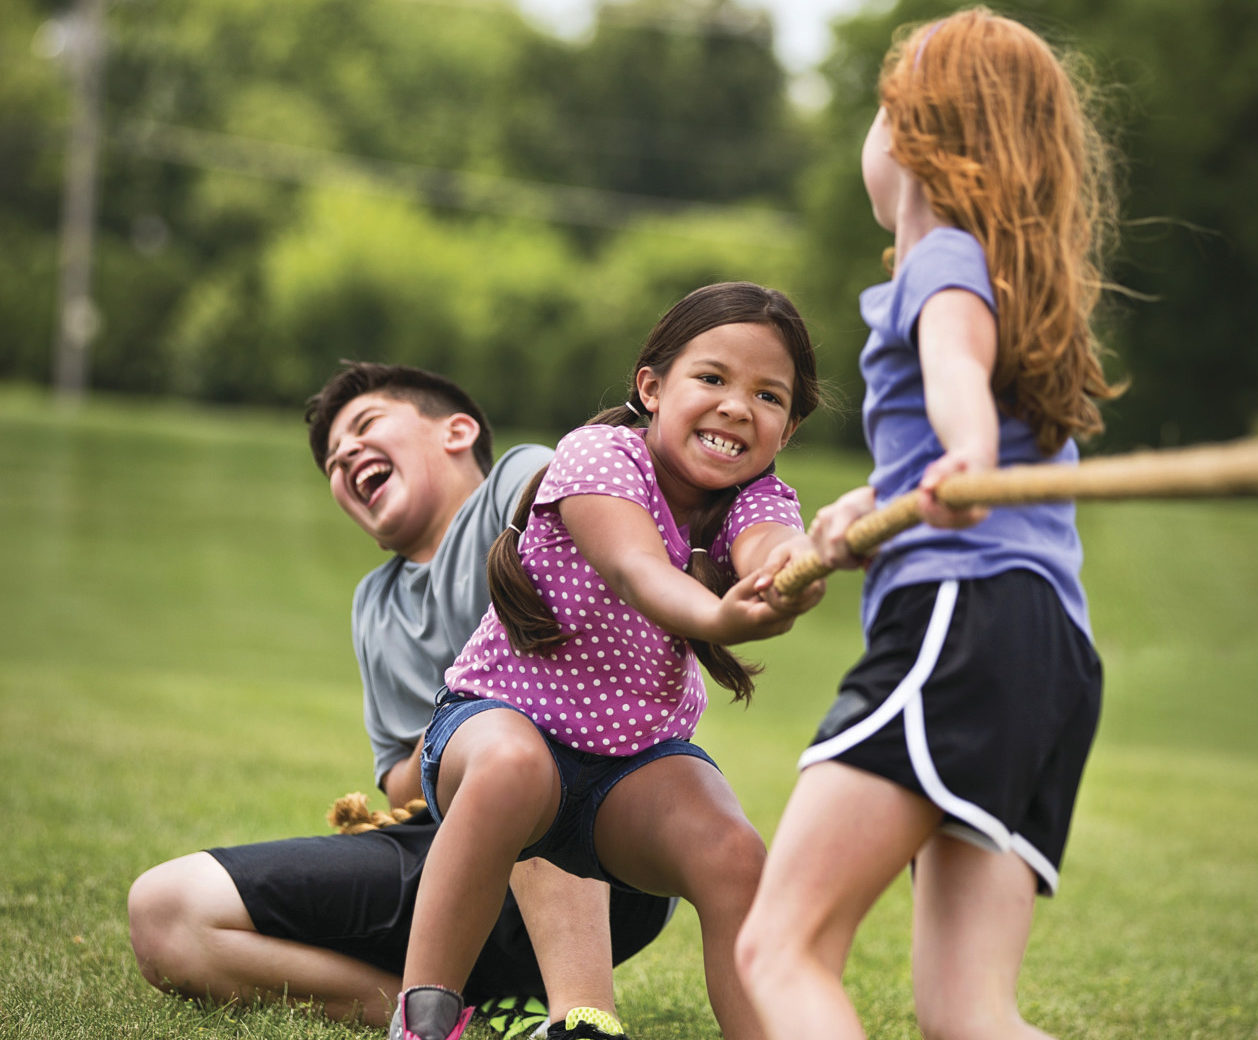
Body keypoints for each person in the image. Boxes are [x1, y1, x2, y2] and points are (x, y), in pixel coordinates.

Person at [735, 9, 1125, 1040]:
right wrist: (880, 498)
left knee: (779, 947)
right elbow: (955, 411)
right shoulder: (1002, 273)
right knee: (965, 1012)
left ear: (911, 135)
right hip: (1046, 650)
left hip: (966, 617)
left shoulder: (943, 258)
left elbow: (954, 377)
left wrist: (964, 455)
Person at [127, 362, 675, 1036]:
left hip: (601, 848)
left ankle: (581, 1016)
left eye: (364, 426)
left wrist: (481, 708)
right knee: (166, 911)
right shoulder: (375, 605)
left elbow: (583, 599)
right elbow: (397, 786)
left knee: (515, 745)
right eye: (332, 460)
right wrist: (460, 714)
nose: (347, 455)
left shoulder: (519, 481)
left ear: (457, 431)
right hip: (444, 855)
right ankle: (453, 1013)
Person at [387, 282, 825, 1040]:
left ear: (784, 429)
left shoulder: (760, 500)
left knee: (734, 855)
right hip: (496, 728)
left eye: (767, 395)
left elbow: (770, 550)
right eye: (712, 378)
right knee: (512, 767)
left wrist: (795, 569)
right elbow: (637, 572)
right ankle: (423, 1019)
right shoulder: (598, 457)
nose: (735, 406)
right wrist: (724, 613)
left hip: (626, 769)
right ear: (651, 388)